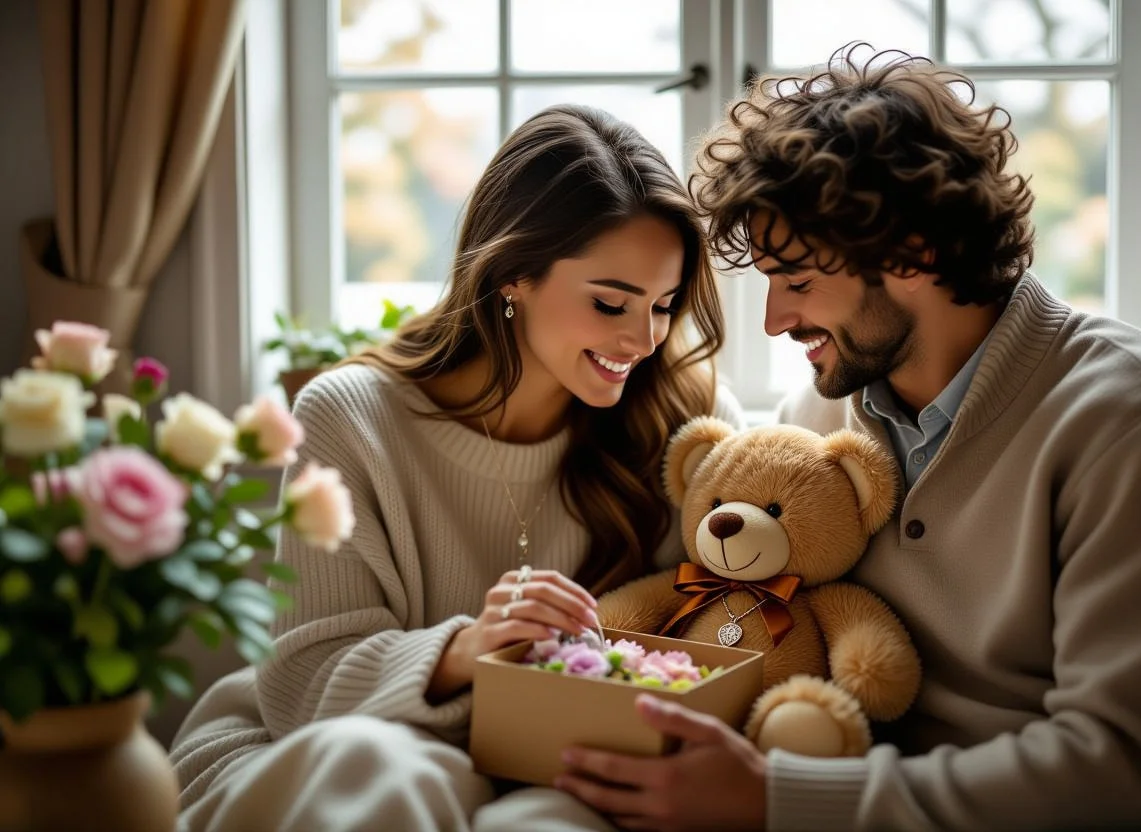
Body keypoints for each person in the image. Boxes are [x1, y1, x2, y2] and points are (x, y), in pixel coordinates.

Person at [555, 44, 1141, 831]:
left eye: (800, 282)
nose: (776, 321)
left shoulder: (1139, 424)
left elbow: (1123, 766)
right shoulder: (819, 422)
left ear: (912, 253)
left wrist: (782, 798)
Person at [168, 103, 746, 832]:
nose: (643, 338)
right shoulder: (352, 417)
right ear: (513, 277)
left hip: (568, 769)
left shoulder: (686, 423)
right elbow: (299, 683)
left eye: (664, 305)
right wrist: (467, 649)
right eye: (610, 303)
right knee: (389, 777)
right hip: (344, 742)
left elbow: (737, 635)